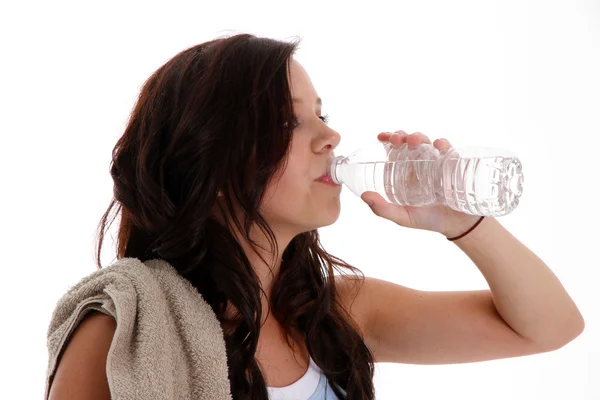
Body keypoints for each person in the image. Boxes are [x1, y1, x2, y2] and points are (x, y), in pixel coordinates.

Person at [46, 33, 585, 400]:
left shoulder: (343, 312)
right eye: (287, 123)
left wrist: (461, 221)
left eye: (321, 114)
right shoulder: (124, 328)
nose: (331, 137)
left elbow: (551, 328)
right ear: (206, 160)